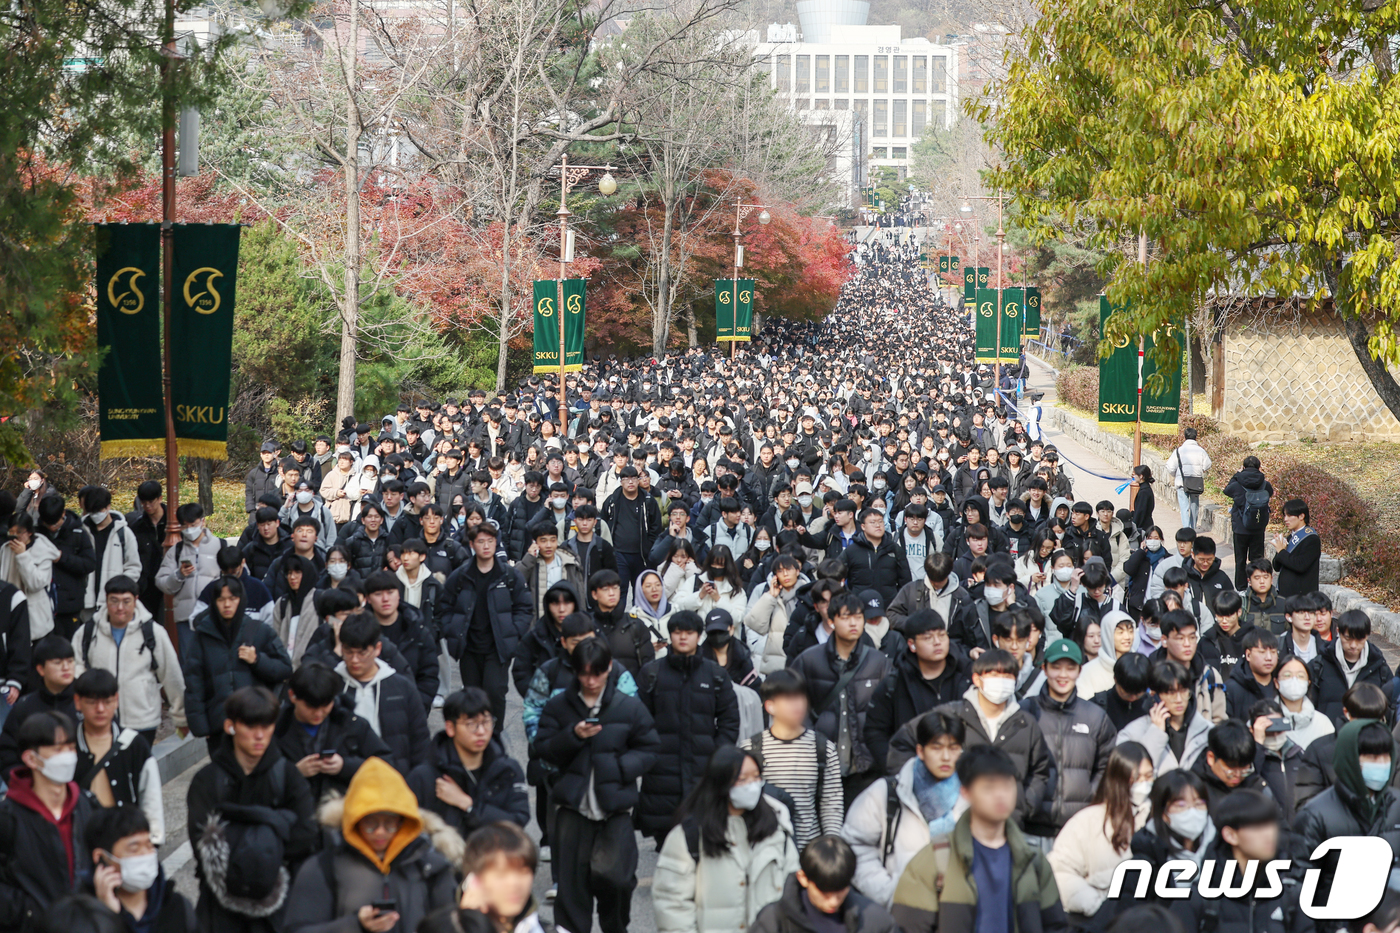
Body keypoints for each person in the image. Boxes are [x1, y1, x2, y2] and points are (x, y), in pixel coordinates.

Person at [534, 637, 660, 933]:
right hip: (570, 808)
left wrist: (620, 768)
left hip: (614, 809)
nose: (590, 681)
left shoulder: (627, 707)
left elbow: (650, 748)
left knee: (617, 880)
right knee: (572, 889)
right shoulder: (558, 705)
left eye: (597, 673)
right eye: (583, 674)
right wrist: (573, 736)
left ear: (610, 669)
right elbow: (542, 748)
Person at [889, 744, 1068, 933]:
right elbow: (907, 927)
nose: (1000, 795)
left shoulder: (1033, 860)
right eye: (989, 787)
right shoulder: (936, 859)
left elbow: (1055, 927)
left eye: (1007, 785)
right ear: (965, 792)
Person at [187, 686, 317, 933]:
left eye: (266, 726)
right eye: (250, 726)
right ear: (230, 726)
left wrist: (240, 838)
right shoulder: (207, 779)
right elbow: (200, 841)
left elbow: (306, 833)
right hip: (219, 903)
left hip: (277, 900)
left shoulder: (288, 775)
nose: (260, 735)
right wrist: (275, 828)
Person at [283, 756, 459, 933]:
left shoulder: (430, 866)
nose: (380, 832)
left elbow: (453, 926)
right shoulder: (323, 867)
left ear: (403, 822)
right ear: (355, 821)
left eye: (389, 823)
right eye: (370, 823)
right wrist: (355, 925)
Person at [886, 649, 1053, 828]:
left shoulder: (1025, 723)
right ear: (977, 679)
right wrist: (924, 796)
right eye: (994, 674)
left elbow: (1041, 770)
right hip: (955, 828)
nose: (1002, 681)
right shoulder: (951, 715)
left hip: (1007, 827)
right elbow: (903, 742)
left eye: (1008, 675)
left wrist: (1023, 807)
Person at [652, 745, 800, 933]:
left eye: (756, 777)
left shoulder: (776, 829)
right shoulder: (690, 835)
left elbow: (794, 893)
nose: (752, 785)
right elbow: (672, 904)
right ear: (721, 783)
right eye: (742, 779)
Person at [842, 711, 967, 907]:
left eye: (953, 748)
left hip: (958, 910)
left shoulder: (975, 796)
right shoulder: (887, 793)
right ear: (920, 751)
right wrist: (889, 892)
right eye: (936, 748)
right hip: (902, 910)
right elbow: (855, 845)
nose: (945, 757)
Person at [635, 610, 740, 842]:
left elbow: (729, 720)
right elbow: (639, 721)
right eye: (677, 632)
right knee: (667, 847)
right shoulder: (651, 673)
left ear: (699, 636)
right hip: (661, 773)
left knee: (705, 843)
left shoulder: (715, 675)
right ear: (670, 635)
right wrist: (650, 754)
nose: (683, 637)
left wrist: (717, 753)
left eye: (689, 632)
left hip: (703, 770)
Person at [790, 591, 891, 806]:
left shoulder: (878, 662)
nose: (853, 623)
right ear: (832, 621)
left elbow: (890, 710)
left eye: (858, 617)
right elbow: (794, 708)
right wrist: (809, 744)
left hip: (865, 767)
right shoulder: (809, 660)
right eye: (846, 617)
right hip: (819, 765)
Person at [0, 711, 97, 931]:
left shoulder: (85, 804)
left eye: (71, 748)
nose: (69, 756)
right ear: (31, 758)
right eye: (58, 749)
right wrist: (29, 912)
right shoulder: (8, 817)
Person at [1169, 790, 1312, 933]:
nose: (1269, 834)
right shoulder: (1198, 900)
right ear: (1230, 835)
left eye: (1271, 824)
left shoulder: (1290, 894)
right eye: (1257, 826)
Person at [1021, 640, 1119, 848]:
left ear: (1079, 671)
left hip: (1079, 830)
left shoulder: (1095, 717)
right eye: (1056, 667)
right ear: (1044, 668)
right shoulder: (1025, 712)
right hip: (1031, 828)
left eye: (1070, 668)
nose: (1063, 675)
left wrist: (1090, 797)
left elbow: (1107, 767)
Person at [1293, 718, 1400, 904]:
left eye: (1386, 756)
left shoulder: (1397, 804)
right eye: (1372, 757)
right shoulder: (1315, 816)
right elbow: (1301, 887)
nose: (1382, 764)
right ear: (1350, 758)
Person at [1046, 742, 1152, 928]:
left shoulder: (1157, 819)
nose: (1144, 784)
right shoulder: (1088, 821)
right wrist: (1097, 906)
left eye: (1149, 776)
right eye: (1136, 778)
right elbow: (1059, 872)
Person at [71, 576, 185, 747]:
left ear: (136, 600)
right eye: (114, 601)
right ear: (106, 600)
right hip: (99, 720)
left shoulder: (153, 632)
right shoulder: (88, 632)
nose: (120, 608)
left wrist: (181, 718)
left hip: (142, 721)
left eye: (126, 601)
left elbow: (171, 675)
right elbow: (74, 666)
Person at [438, 523, 533, 724]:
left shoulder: (508, 575)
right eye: (481, 541)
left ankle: (494, 736)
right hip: (469, 647)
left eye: (490, 541)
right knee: (472, 696)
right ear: (472, 544)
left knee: (495, 692)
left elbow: (524, 606)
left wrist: (515, 632)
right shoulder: (462, 575)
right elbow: (444, 606)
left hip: (497, 647)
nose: (486, 546)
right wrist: (451, 630)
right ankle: (474, 734)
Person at [406, 687, 530, 839]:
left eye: (486, 722)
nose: (481, 731)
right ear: (450, 728)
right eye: (471, 724)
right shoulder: (425, 776)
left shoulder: (508, 770)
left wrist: (468, 805)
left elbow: (517, 822)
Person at [182, 576, 293, 744]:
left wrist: (257, 660)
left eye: (232, 599)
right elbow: (194, 683)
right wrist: (200, 727)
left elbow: (285, 668)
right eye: (221, 599)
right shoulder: (203, 635)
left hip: (255, 721)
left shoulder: (259, 631)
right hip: (219, 725)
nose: (227, 605)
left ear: (241, 600)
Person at [740, 669, 844, 849]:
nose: (798, 704)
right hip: (765, 849)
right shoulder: (750, 749)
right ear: (770, 706)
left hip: (810, 850)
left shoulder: (822, 748)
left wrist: (830, 846)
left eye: (800, 697)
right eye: (789, 698)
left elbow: (832, 804)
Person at [275, 661, 392, 806]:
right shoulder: (274, 728)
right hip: (290, 815)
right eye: (310, 707)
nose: (318, 713)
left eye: (325, 706)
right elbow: (255, 778)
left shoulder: (352, 724)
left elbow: (386, 765)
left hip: (342, 813)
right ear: (292, 696)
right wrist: (294, 773)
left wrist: (345, 766)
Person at [863, 608, 969, 769]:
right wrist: (897, 767)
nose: (937, 642)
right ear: (912, 644)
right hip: (912, 772)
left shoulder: (967, 675)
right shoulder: (895, 682)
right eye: (928, 638)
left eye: (942, 635)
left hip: (963, 771)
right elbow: (875, 731)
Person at [71, 670, 163, 845]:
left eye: (107, 702)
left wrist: (153, 841)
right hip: (80, 839)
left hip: (126, 838)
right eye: (91, 702)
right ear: (77, 702)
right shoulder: (66, 745)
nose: (100, 709)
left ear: (116, 700)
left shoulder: (134, 744)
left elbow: (151, 796)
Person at [334, 611, 431, 776]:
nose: (355, 660)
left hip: (392, 780)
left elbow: (420, 743)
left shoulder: (402, 688)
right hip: (341, 780)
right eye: (349, 652)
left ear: (377, 648)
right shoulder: (332, 685)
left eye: (362, 653)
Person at [751, 835, 901, 933]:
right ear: (803, 878)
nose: (834, 901)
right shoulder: (773, 921)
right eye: (825, 893)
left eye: (840, 891)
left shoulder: (877, 921)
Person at [417, 822, 546, 933]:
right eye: (501, 874)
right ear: (474, 880)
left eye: (523, 872)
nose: (514, 883)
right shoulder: (439, 927)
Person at [84, 807, 196, 933]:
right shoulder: (80, 918)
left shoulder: (176, 908)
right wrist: (107, 918)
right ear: (101, 857)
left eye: (149, 846)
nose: (145, 855)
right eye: (134, 849)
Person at [361, 570, 439, 711]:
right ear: (368, 599)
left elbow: (429, 676)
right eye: (378, 594)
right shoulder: (358, 630)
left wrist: (418, 707)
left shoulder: (418, 631)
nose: (385, 599)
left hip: (409, 710)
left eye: (390, 592)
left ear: (399, 594)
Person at [0, 635, 78, 776]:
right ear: (41, 669)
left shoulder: (86, 701)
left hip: (79, 790)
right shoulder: (25, 706)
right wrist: (22, 784)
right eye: (57, 662)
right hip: (34, 789)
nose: (66, 667)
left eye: (70, 661)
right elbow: (7, 751)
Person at [1116, 659, 1212, 772]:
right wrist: (1156, 733)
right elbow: (1127, 776)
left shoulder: (1208, 731)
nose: (1179, 700)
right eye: (1171, 693)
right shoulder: (1132, 733)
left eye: (1183, 691)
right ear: (1154, 695)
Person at [154, 503, 223, 650]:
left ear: (202, 521)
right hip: (185, 617)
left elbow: (237, 574)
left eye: (193, 524)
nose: (189, 530)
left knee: (214, 659)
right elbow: (161, 582)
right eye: (185, 526)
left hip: (215, 616)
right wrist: (179, 575)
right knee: (189, 662)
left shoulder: (219, 546)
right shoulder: (176, 551)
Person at [1312, 608, 1392, 727]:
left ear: (1367, 636)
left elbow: (1390, 706)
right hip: (1327, 736)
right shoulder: (1320, 664)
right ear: (1338, 632)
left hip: (1367, 738)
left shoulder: (1379, 667)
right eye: (1348, 638)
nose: (1353, 645)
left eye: (1359, 639)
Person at [77, 488, 142, 628]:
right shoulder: (80, 532)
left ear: (108, 507)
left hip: (114, 603)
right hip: (85, 603)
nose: (95, 516)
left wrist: (121, 590)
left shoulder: (124, 533)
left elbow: (134, 566)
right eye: (92, 512)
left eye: (99, 511)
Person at [600, 465, 662, 606]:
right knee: (619, 590)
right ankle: (619, 623)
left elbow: (656, 526)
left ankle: (638, 623)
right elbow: (602, 523)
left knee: (640, 591)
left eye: (634, 478)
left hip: (641, 555)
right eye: (626, 479)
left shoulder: (648, 500)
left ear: (638, 480)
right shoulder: (612, 501)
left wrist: (649, 546)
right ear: (621, 481)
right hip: (618, 553)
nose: (630, 482)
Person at [1222, 456, 1275, 590]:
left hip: (1240, 528)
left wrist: (1236, 475)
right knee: (1257, 560)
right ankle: (1257, 586)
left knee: (1240, 560)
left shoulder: (1237, 483)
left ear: (1243, 467)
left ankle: (1241, 588)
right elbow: (1270, 493)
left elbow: (1226, 490)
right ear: (1259, 467)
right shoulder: (1264, 484)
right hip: (1258, 527)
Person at [1164, 427, 1211, 531]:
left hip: (1182, 482)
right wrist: (1200, 470)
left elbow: (1170, 467)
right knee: (1194, 507)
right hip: (1196, 483)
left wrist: (1176, 474)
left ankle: (1186, 529)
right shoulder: (1201, 451)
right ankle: (1193, 527)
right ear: (1196, 436)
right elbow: (1208, 464)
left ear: (1184, 436)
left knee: (1184, 507)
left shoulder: (1178, 451)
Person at [1272, 498, 1320, 597]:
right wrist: (1279, 549)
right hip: (1285, 594)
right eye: (1285, 515)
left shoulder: (1311, 539)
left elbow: (1300, 565)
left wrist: (1281, 552)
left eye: (1289, 515)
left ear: (1301, 516)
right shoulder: (1290, 537)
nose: (1285, 519)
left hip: (1301, 597)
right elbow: (1276, 566)